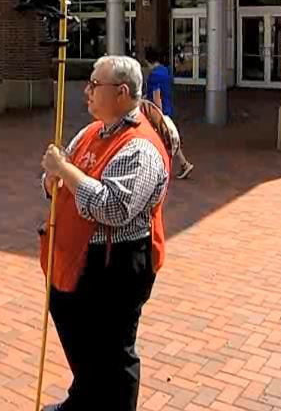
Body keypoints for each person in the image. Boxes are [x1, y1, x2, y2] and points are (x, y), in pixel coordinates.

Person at [39, 55, 170, 410]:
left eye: (96, 85)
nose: (87, 91)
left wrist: (64, 171)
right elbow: (60, 176)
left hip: (117, 265)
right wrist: (51, 180)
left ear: (122, 92)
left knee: (113, 352)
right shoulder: (91, 131)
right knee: (80, 337)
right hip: (79, 258)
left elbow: (113, 207)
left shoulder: (140, 147)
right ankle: (83, 399)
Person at [143, 47, 195, 179]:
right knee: (170, 139)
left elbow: (156, 96)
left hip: (158, 112)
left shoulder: (154, 75)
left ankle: (162, 167)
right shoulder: (166, 71)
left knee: (160, 140)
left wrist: (157, 114)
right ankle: (183, 164)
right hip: (168, 109)